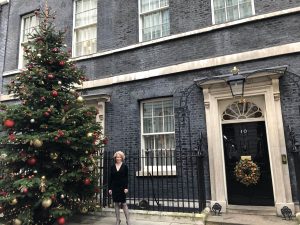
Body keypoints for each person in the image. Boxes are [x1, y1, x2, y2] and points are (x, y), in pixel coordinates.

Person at [108, 151, 131, 225]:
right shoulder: (112, 167)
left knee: (124, 204)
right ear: (115, 158)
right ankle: (118, 220)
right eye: (117, 157)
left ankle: (128, 220)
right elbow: (110, 178)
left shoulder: (125, 166)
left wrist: (126, 187)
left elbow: (126, 178)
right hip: (114, 187)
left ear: (122, 158)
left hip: (122, 187)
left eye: (119, 157)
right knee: (116, 204)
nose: (118, 158)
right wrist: (110, 188)